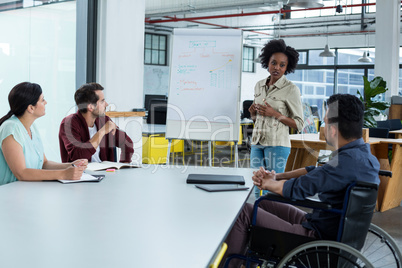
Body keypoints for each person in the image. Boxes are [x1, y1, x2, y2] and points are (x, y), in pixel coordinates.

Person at [221, 94, 380, 268]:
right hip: (328, 225)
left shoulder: (343, 163)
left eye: (325, 122)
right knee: (265, 204)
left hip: (316, 238)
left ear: (333, 130)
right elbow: (314, 171)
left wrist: (267, 183)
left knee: (244, 211)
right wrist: (277, 177)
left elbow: (296, 189)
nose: (324, 126)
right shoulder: (363, 157)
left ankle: (233, 265)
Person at [0, 82, 87, 186]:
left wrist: (71, 166)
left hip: (29, 190)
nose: (46, 102)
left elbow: (44, 163)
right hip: (10, 194)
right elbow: (21, 173)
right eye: (42, 100)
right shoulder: (11, 128)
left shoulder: (32, 127)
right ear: (31, 108)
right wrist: (63, 174)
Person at [248, 39, 304, 198]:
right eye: (274, 63)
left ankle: (270, 218)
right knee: (256, 183)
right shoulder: (259, 85)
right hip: (257, 143)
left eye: (282, 65)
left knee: (272, 186)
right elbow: (258, 118)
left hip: (277, 144)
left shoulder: (291, 89)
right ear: (267, 62)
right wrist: (253, 114)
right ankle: (256, 217)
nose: (277, 68)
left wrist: (276, 114)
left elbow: (299, 124)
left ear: (287, 67)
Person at [59, 82, 134, 163]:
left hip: (106, 174)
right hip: (81, 174)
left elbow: (127, 143)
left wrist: (122, 167)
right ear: (90, 107)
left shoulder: (104, 120)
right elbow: (78, 156)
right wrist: (102, 132)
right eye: (102, 101)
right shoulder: (68, 124)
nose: (106, 104)